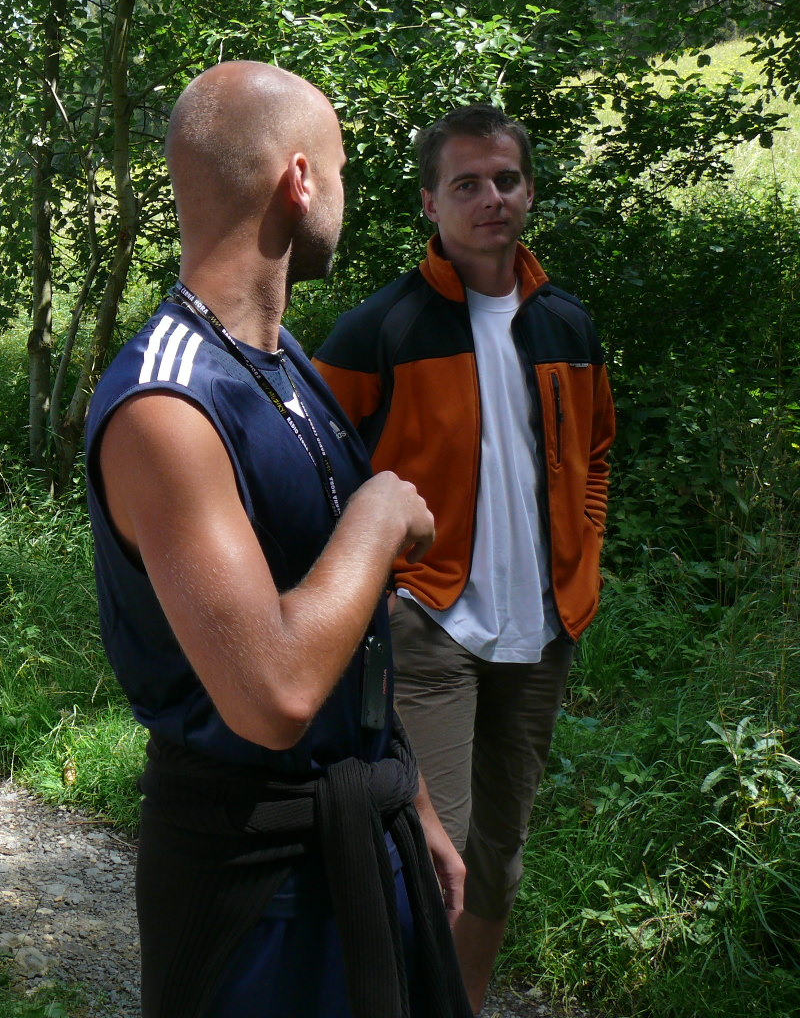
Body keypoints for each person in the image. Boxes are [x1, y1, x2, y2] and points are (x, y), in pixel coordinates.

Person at [85, 61, 472, 1018]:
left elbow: (347, 631)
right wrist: (379, 516)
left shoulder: (282, 362)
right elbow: (273, 694)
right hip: (252, 887)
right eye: (338, 168)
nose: (344, 191)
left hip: (358, 833)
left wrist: (413, 799)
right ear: (300, 179)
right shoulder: (167, 405)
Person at [313, 104, 616, 1012]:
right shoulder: (383, 329)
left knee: (497, 857)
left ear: (529, 190)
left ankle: (464, 1007)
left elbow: (597, 454)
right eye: (467, 183)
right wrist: (379, 589)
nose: (492, 198)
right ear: (430, 202)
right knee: (426, 857)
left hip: (541, 633)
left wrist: (583, 557)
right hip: (428, 627)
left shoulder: (567, 326)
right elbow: (311, 468)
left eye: (507, 180)